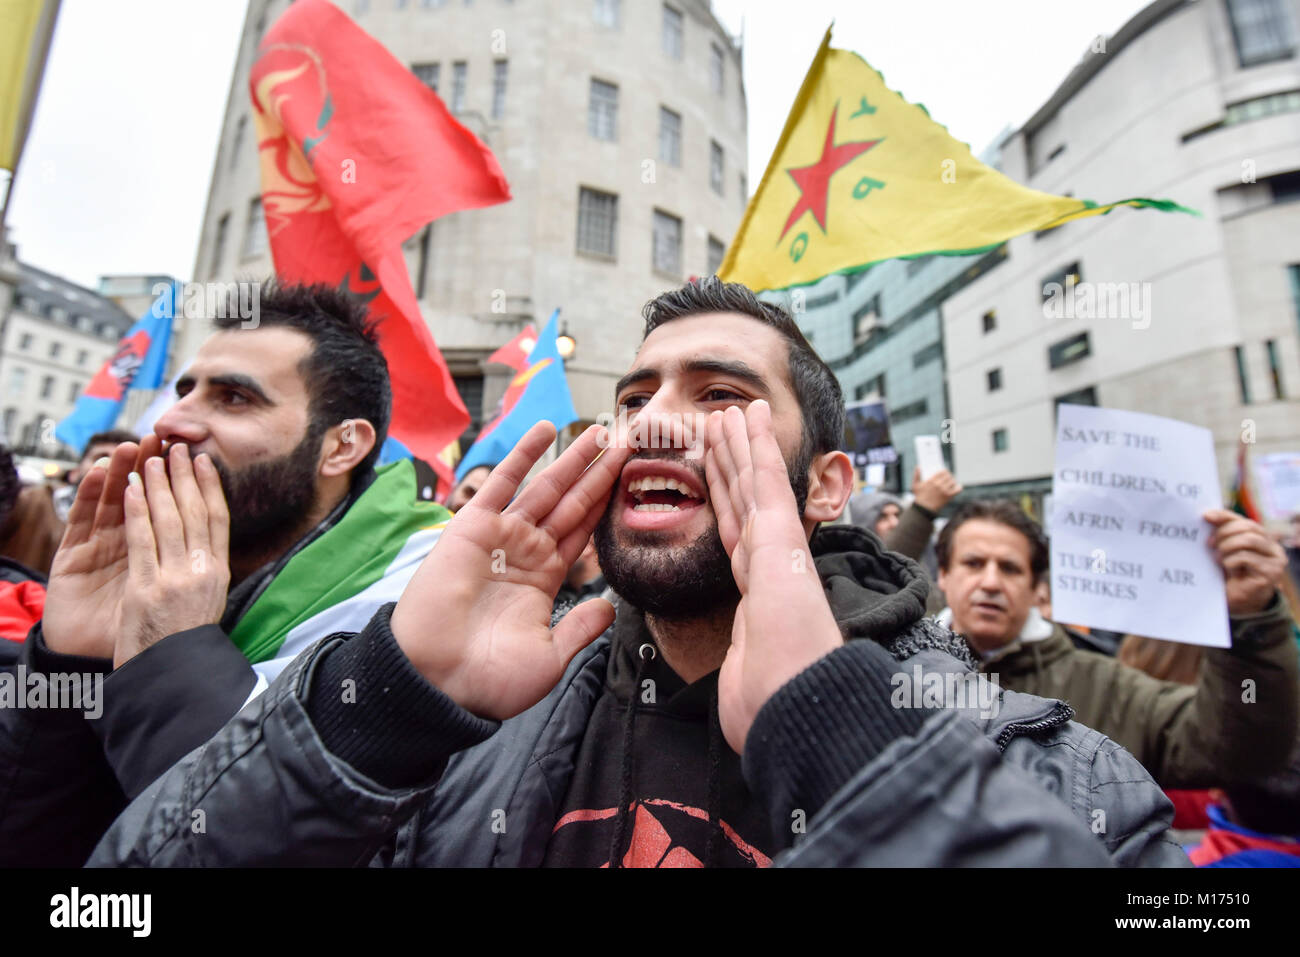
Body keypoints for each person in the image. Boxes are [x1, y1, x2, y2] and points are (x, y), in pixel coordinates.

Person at [87, 278, 1183, 868]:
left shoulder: (1066, 785)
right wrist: (377, 714)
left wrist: (848, 750)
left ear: (826, 483)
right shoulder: (468, 740)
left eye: (718, 397)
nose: (655, 421)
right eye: (633, 398)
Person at [0, 281, 450, 867]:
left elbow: (262, 839)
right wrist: (71, 662)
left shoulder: (422, 593)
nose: (172, 422)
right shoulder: (144, 570)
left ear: (342, 447)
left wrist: (175, 651)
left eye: (234, 398)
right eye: (184, 392)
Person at [934, 499, 1299, 790]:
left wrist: (1251, 622)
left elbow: (1241, 754)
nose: (991, 582)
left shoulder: (1108, 687)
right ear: (943, 576)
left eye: (1010, 568)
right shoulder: (894, 670)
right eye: (974, 563)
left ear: (1036, 589)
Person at [53, 429, 138, 521]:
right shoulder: (39, 502)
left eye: (123, 462)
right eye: (101, 459)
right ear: (75, 472)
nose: (110, 466)